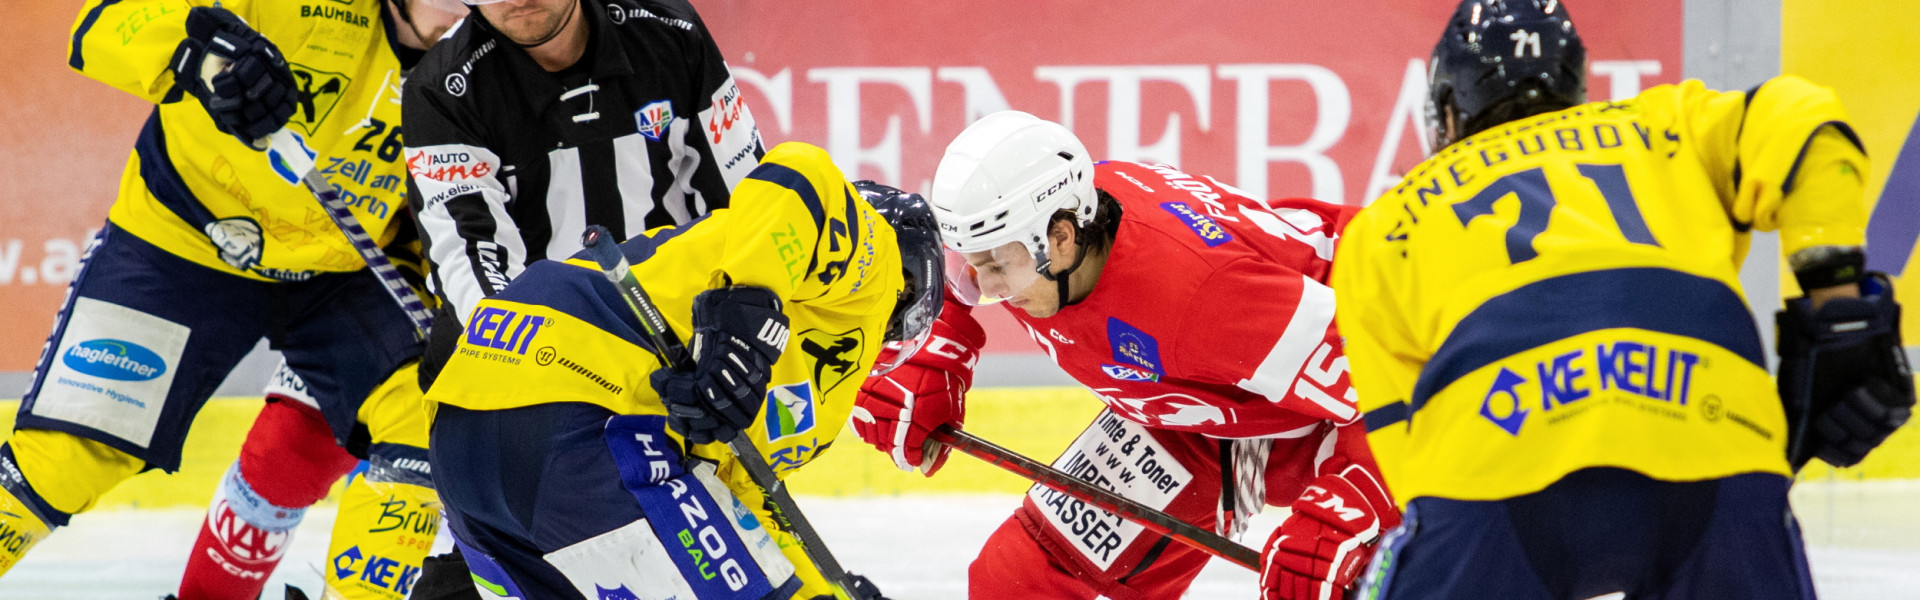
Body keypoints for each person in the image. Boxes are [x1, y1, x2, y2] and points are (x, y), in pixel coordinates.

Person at [1335, 1, 1914, 599]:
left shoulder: (1384, 227)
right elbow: (1805, 118)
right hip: (1711, 447)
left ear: (1450, 110)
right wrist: (1838, 303)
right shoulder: (1665, 125)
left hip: (1496, 473)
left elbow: (1408, 458)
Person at [849, 109, 1400, 600]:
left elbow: (1416, 389)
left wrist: (1350, 507)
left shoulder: (1202, 299)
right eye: (975, 261)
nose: (986, 285)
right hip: (1204, 400)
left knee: (1321, 576)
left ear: (1061, 237)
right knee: (1019, 579)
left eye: (998, 266)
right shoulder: (1040, 230)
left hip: (1369, 371)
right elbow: (963, 274)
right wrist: (929, 347)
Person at [43, 1, 462, 599]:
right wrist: (197, 56)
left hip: (347, 268)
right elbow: (103, 24)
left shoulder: (501, 45)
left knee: (424, 426)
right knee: (60, 460)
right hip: (184, 241)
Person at [419, 141, 941, 599]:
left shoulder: (808, 378)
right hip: (586, 410)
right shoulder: (871, 276)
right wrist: (742, 319)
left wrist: (824, 591)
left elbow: (740, 504)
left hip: (466, 428)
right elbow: (799, 174)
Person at [402, 0, 766, 387]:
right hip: (531, 367)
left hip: (674, 343)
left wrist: (734, 334)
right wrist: (560, 368)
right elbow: (473, 263)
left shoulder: (671, 31)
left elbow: (744, 203)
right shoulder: (440, 89)